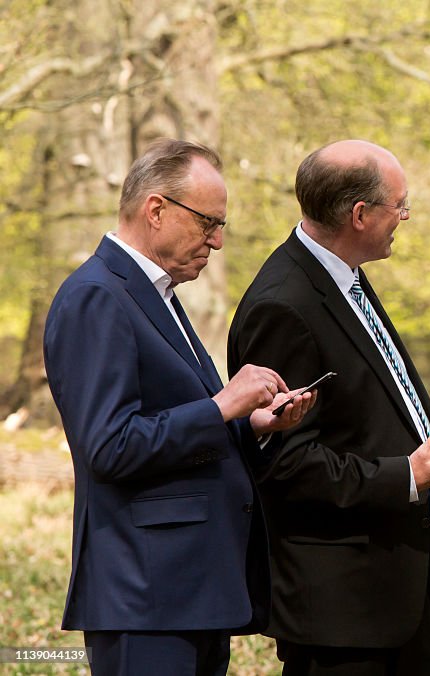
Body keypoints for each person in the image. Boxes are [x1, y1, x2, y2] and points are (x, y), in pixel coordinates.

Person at [43, 138, 316, 676]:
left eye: (221, 226)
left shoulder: (157, 295)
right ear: (156, 209)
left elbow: (174, 422)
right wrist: (221, 407)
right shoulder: (96, 296)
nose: (216, 241)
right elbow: (109, 447)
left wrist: (252, 424)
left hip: (193, 591)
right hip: (145, 597)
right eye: (208, 223)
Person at [227, 140, 430, 675]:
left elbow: (356, 416)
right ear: (359, 214)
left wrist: (426, 435)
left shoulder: (344, 277)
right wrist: (409, 473)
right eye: (400, 204)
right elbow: (286, 463)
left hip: (391, 598)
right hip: (341, 614)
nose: (406, 216)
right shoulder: (283, 304)